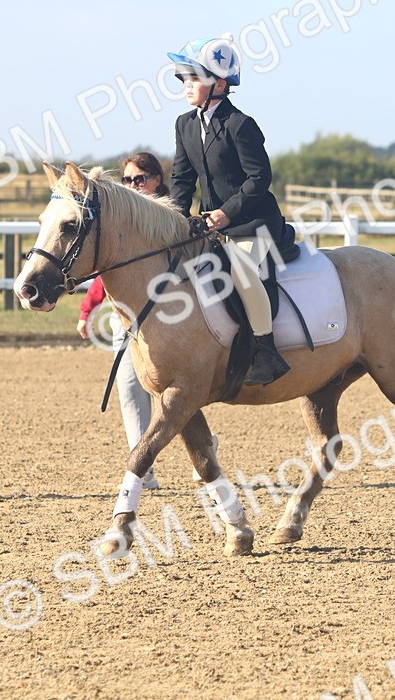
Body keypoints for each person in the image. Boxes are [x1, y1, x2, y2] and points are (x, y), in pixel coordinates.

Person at [77, 152, 217, 487]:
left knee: (177, 392)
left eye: (140, 179)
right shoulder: (123, 221)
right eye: (127, 180)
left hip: (171, 319)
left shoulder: (169, 221)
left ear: (157, 180)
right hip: (127, 318)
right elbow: (105, 273)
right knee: (129, 386)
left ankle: (205, 451)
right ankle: (143, 467)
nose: (133, 185)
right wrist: (87, 310)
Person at [167, 35, 295, 385]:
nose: (186, 85)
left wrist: (225, 213)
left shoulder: (241, 125)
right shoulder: (185, 125)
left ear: (219, 84)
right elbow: (181, 179)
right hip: (210, 224)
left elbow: (259, 177)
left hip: (251, 223)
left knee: (241, 270)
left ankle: (266, 350)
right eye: (183, 78)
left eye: (194, 77)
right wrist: (173, 221)